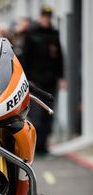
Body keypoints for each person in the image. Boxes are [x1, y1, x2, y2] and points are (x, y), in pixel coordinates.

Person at [23, 6, 67, 154]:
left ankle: (44, 146)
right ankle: (36, 147)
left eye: (49, 16)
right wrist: (27, 79)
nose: (46, 19)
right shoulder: (31, 34)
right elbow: (25, 59)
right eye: (44, 16)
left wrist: (62, 77)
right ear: (40, 17)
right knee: (36, 116)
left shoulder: (54, 34)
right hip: (35, 82)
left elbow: (59, 57)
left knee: (48, 114)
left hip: (50, 80)